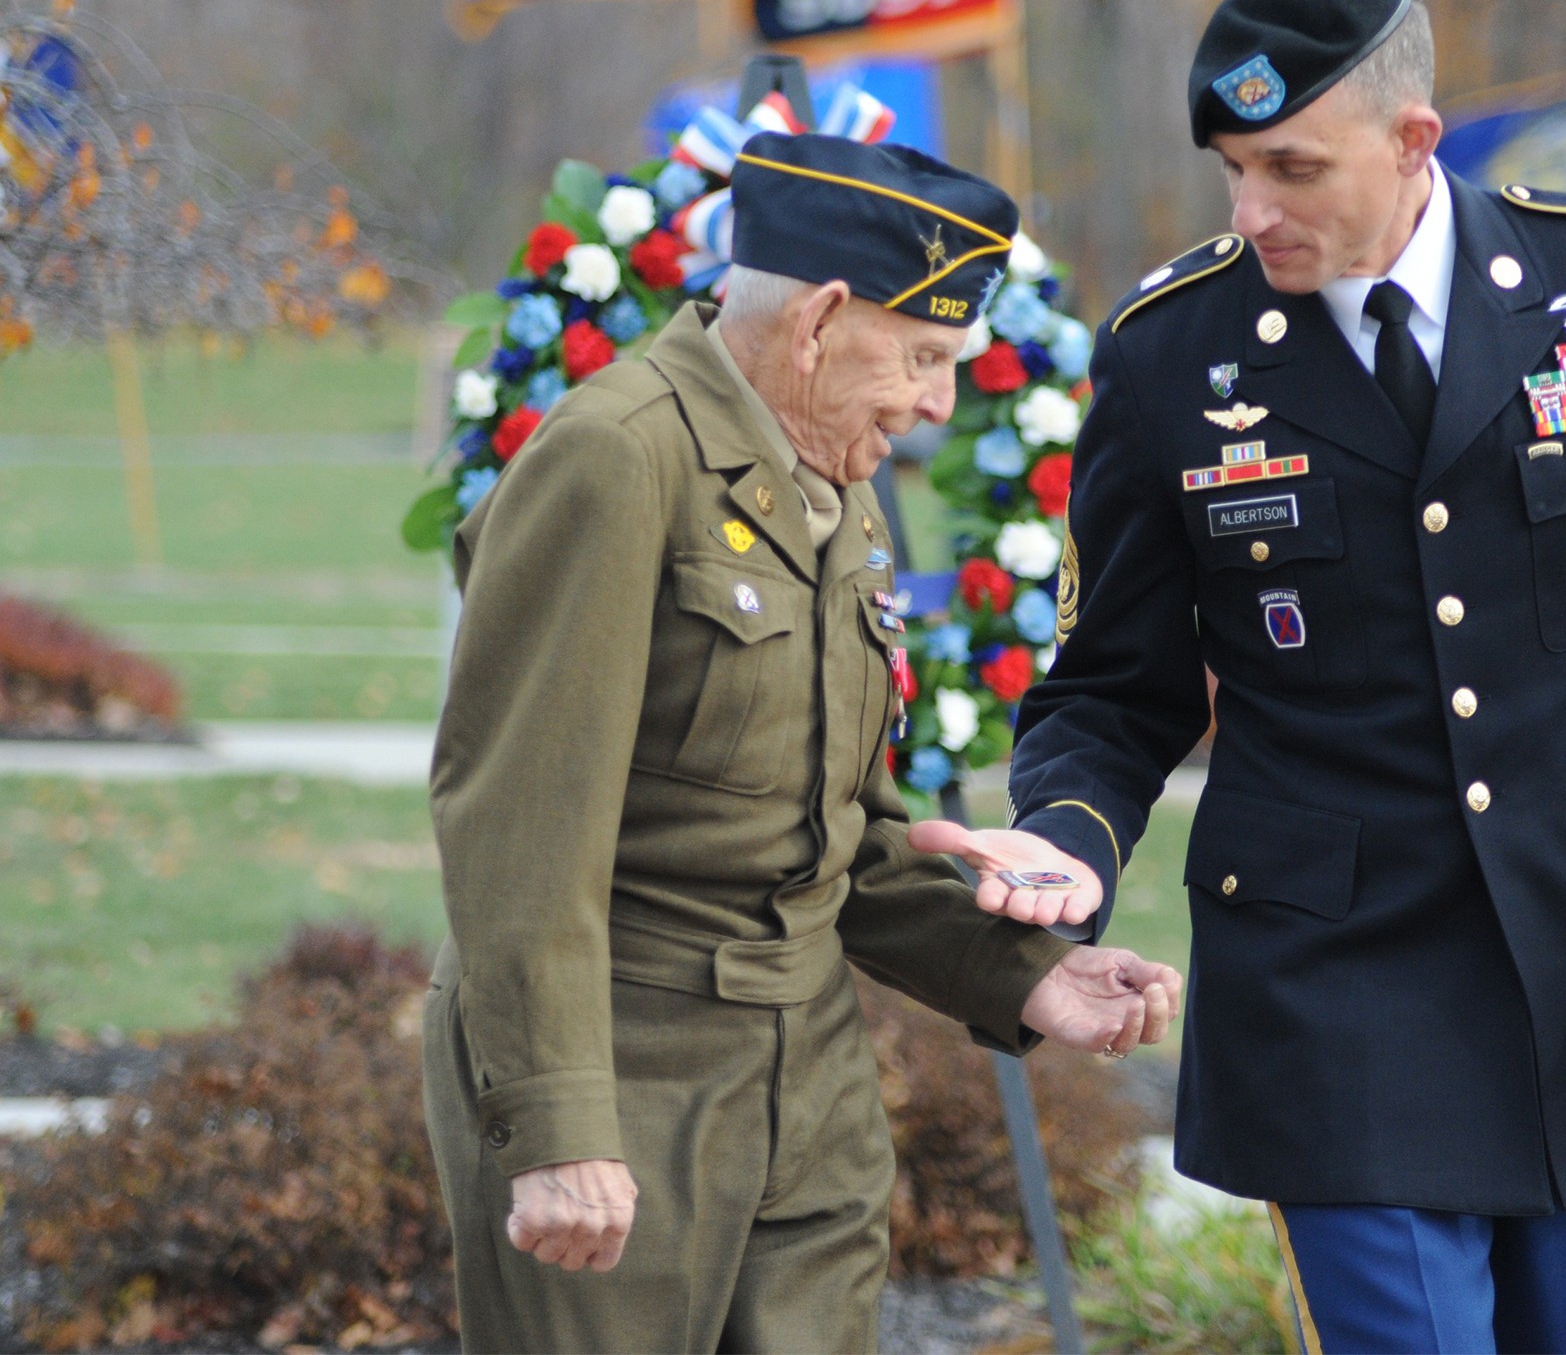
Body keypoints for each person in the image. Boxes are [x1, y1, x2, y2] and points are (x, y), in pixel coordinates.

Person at [910, 0, 1566, 1353]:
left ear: (1416, 141)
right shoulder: (1174, 353)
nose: (1252, 209)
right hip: (1328, 992)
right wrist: (1068, 843)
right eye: (1233, 168)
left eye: (1293, 168)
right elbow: (1112, 686)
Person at [422, 130, 1182, 1355]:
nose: (940, 402)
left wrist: (1025, 973)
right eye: (926, 357)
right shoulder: (619, 459)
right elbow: (515, 825)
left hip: (810, 1097)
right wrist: (559, 1123)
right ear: (822, 320)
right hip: (629, 1080)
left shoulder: (834, 477)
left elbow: (832, 834)